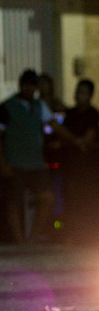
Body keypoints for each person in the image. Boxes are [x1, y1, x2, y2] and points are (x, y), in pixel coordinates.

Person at [0, 69, 68, 243]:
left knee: (48, 198)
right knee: (14, 202)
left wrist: (74, 140)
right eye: (26, 84)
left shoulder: (39, 106)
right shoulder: (7, 106)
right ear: (20, 85)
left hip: (36, 163)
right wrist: (2, 162)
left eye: (32, 85)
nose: (29, 88)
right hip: (15, 162)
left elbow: (55, 126)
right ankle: (20, 241)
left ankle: (31, 239)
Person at [58, 79, 99, 244]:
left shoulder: (92, 114)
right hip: (71, 165)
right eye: (78, 91)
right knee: (71, 199)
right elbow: (64, 136)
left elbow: (88, 138)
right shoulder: (71, 113)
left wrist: (79, 142)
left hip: (89, 167)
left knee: (88, 200)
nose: (78, 95)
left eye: (83, 92)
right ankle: (73, 236)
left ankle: (89, 236)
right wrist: (75, 142)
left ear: (89, 95)